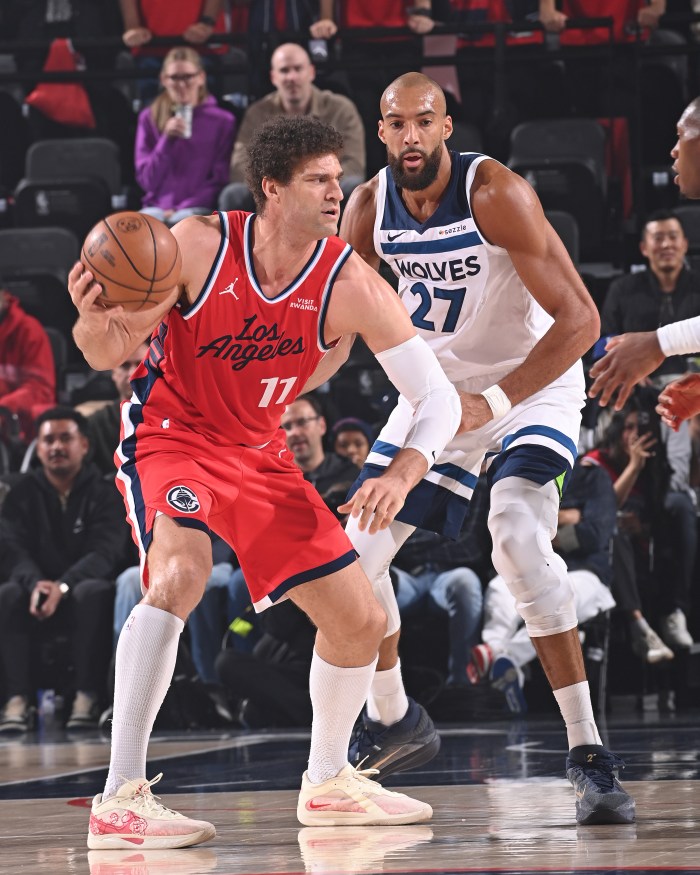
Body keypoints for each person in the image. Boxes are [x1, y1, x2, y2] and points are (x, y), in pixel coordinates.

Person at [68, 114, 461, 848]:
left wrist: (408, 468)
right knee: (183, 571)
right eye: (318, 180)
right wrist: (93, 316)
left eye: (338, 179)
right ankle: (119, 797)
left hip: (260, 452)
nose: (335, 192)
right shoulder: (194, 245)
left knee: (359, 620)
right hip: (173, 435)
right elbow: (104, 350)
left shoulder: (348, 283)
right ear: (271, 191)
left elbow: (435, 397)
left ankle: (327, 784)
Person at [339, 71, 635, 826]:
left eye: (424, 121)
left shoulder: (494, 192)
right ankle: (396, 715)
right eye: (395, 122)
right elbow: (344, 322)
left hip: (530, 387)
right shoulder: (366, 209)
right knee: (352, 556)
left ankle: (588, 751)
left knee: (515, 537)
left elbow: (580, 319)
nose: (410, 135)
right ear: (381, 132)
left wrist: (494, 401)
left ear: (447, 127)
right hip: (438, 396)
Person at [0, 407, 125, 732]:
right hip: (34, 590)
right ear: (38, 448)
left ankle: (86, 695)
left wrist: (64, 585)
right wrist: (35, 584)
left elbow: (106, 552)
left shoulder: (106, 491)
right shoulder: (19, 494)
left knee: (93, 591)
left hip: (82, 590)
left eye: (65, 438)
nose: (56, 447)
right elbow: (11, 548)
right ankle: (16, 699)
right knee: (9, 593)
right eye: (48, 440)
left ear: (84, 444)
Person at [470, 459, 617, 713]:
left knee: (558, 600)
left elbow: (594, 534)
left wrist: (542, 529)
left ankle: (506, 661)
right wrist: (568, 519)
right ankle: (494, 652)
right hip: (533, 565)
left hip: (585, 571)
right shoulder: (521, 468)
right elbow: (505, 531)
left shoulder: (593, 475)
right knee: (499, 588)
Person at [588, 97, 700, 411]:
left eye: (682, 135)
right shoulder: (624, 290)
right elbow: (602, 343)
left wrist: (659, 343)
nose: (674, 150)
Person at [582, 404, 692, 658]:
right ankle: (639, 627)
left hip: (641, 558)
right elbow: (603, 510)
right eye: (628, 427)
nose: (634, 434)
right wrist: (633, 467)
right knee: (615, 531)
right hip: (602, 554)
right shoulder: (595, 462)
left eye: (640, 428)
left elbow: (654, 523)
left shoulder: (651, 472)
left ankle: (672, 614)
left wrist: (642, 528)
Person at [218, 43, 366, 213]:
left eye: (297, 69)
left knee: (353, 187)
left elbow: (354, 165)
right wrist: (284, 186)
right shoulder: (257, 112)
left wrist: (311, 183)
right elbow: (240, 166)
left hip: (326, 187)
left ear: (311, 72)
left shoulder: (340, 108)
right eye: (284, 70)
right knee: (233, 194)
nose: (291, 77)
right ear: (273, 77)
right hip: (274, 190)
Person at [135, 46, 236, 227]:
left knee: (182, 223)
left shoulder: (223, 121)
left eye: (188, 77)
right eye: (174, 78)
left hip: (198, 207)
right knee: (136, 228)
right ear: (164, 80)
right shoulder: (149, 117)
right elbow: (146, 180)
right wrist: (166, 140)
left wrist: (183, 207)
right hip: (156, 207)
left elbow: (219, 179)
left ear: (201, 78)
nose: (181, 85)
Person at [0, 287, 55, 450]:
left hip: (20, 428)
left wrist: (3, 407)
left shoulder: (29, 331)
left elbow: (40, 389)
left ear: (5, 295)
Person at [85, 342, 150, 476]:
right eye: (125, 366)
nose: (133, 373)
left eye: (140, 364)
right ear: (113, 373)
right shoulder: (95, 424)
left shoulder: (173, 419)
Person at [281, 394, 361, 497]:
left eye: (302, 422)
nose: (294, 432)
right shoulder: (277, 482)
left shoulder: (351, 477)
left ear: (322, 425)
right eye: (287, 426)